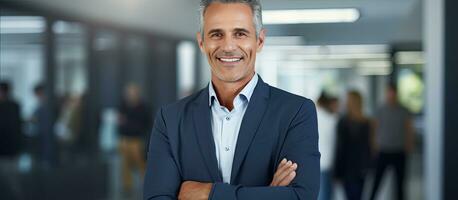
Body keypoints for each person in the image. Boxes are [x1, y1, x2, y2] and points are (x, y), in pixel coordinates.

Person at [143, 0, 320, 199]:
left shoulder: (295, 112)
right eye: (216, 34)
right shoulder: (171, 119)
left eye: (240, 34)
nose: (228, 46)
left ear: (259, 41)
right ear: (201, 42)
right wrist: (268, 194)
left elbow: (300, 196)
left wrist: (210, 193)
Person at [369, 83, 414, 200]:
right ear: (386, 94)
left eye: (393, 93)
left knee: (400, 183)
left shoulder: (404, 110)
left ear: (396, 94)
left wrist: (409, 144)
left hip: (399, 150)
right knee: (377, 181)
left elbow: (408, 128)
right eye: (389, 93)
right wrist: (373, 145)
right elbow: (374, 128)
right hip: (383, 150)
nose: (391, 96)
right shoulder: (380, 109)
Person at [334, 91, 372, 200]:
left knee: (352, 196)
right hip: (360, 167)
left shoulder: (344, 121)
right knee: (357, 196)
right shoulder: (366, 121)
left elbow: (340, 148)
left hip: (350, 168)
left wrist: (337, 172)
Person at [118, 83, 151, 195]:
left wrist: (128, 123)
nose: (130, 95)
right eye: (128, 93)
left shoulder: (143, 107)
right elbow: (120, 122)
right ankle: (127, 187)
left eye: (132, 93)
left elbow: (144, 124)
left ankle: (148, 185)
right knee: (125, 165)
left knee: (141, 164)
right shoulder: (123, 105)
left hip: (137, 140)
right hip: (124, 139)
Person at [0, 81, 23, 199]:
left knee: (10, 179)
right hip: (12, 148)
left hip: (6, 148)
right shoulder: (15, 105)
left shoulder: (12, 106)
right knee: (13, 179)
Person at [316, 92, 338, 200]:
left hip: (316, 162)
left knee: (320, 193)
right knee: (327, 193)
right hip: (329, 162)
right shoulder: (333, 120)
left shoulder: (312, 116)